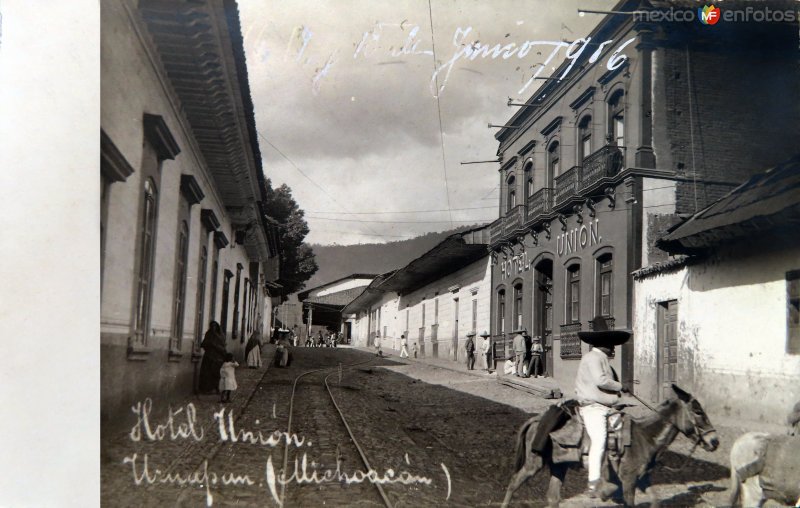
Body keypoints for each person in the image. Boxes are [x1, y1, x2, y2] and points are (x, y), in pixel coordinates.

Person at [575, 315, 631, 498]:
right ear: (603, 343)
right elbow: (600, 381)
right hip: (593, 407)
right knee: (599, 441)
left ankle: (617, 474)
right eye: (611, 343)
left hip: (605, 406)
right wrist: (620, 386)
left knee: (623, 436)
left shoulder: (601, 359)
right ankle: (593, 483)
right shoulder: (593, 358)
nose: (614, 346)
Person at [199, 321, 226, 394]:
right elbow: (203, 344)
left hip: (218, 357)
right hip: (209, 356)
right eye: (212, 326)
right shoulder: (208, 334)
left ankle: (216, 388)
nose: (213, 328)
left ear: (217, 327)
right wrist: (208, 344)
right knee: (207, 373)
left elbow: (223, 346)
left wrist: (215, 346)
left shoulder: (220, 335)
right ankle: (207, 389)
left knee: (216, 373)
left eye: (215, 326)